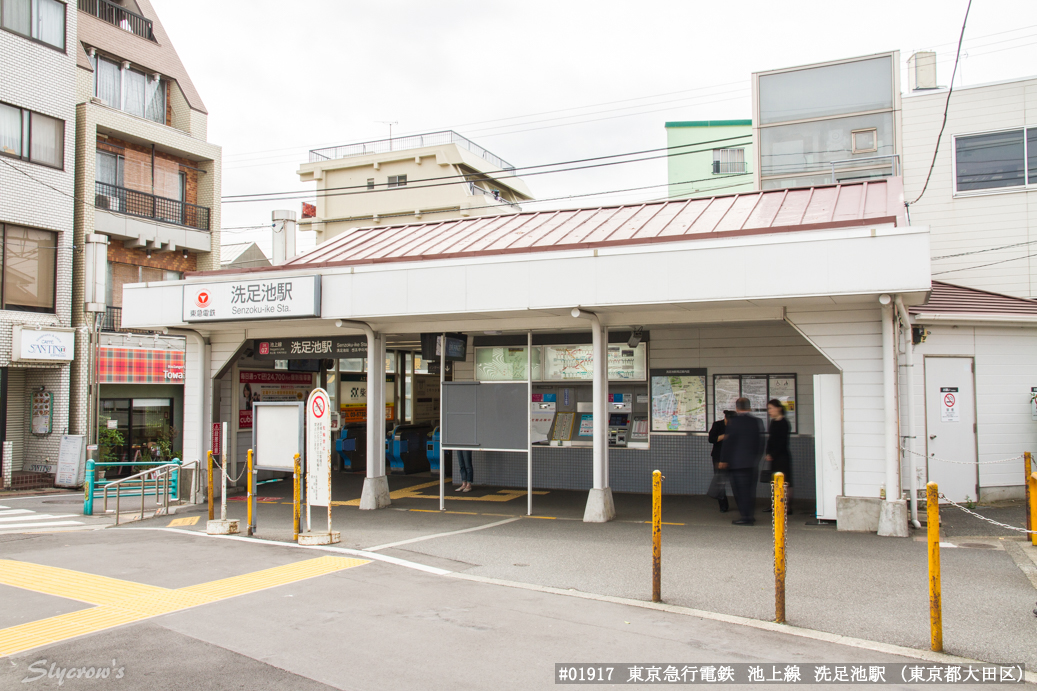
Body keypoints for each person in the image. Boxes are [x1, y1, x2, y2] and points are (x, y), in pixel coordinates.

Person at [718, 397, 765, 525]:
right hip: (751, 464)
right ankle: (750, 515)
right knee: (750, 491)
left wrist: (723, 460)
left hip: (736, 464)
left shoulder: (734, 422)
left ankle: (746, 517)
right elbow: (760, 443)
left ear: (737, 408)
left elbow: (728, 443)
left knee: (740, 491)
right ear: (749, 407)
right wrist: (756, 458)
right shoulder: (757, 422)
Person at [763, 399, 793, 514]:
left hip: (782, 457)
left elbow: (782, 442)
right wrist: (768, 453)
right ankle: (776, 503)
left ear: (778, 408)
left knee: (785, 481)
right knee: (775, 481)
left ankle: (786, 506)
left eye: (771, 408)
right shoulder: (774, 422)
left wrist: (773, 454)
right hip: (774, 457)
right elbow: (771, 440)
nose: (769, 411)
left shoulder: (784, 423)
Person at [706, 411, 734, 512]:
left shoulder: (736, 426)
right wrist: (725, 436)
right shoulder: (717, 425)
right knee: (720, 480)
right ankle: (723, 505)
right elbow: (711, 439)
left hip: (732, 456)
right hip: (718, 456)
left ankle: (740, 503)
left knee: (735, 480)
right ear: (725, 418)